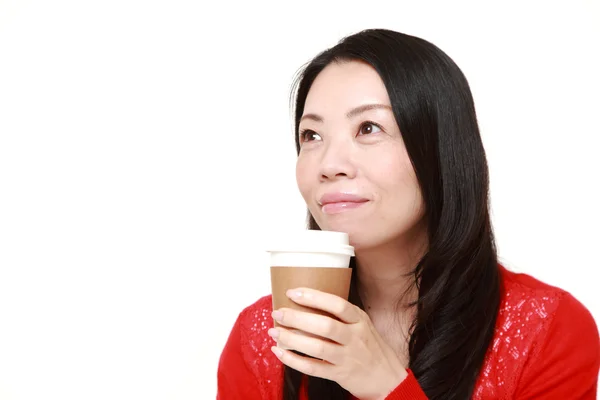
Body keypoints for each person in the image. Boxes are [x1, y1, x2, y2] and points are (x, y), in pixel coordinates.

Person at [216, 28, 600, 399]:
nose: (329, 164)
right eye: (311, 136)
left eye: (368, 128)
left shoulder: (546, 330)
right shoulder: (263, 336)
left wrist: (388, 387)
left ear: (441, 150)